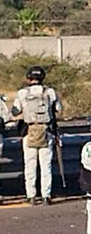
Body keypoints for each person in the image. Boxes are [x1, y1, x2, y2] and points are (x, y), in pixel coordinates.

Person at [11, 66, 62, 205]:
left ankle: (31, 195)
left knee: (30, 165)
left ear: (28, 78)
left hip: (29, 132)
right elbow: (59, 109)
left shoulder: (22, 93)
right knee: (46, 166)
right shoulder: (50, 92)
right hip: (47, 132)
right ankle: (46, 195)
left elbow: (15, 112)